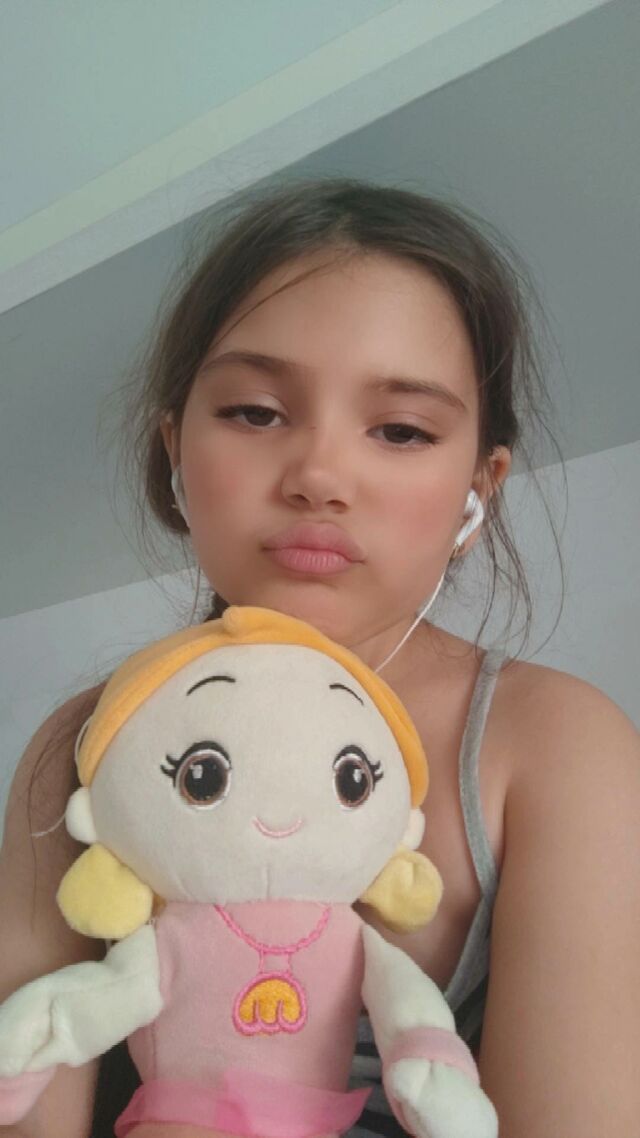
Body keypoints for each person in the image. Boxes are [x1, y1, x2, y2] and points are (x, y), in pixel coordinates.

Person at [1, 177, 638, 1138]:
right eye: (256, 413)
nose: (319, 476)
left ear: (479, 489)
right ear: (175, 452)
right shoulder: (80, 748)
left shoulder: (553, 746)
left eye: (401, 430)